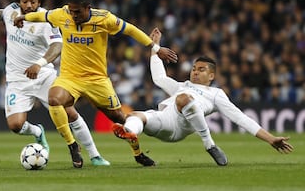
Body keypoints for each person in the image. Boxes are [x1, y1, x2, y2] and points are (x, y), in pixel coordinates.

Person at [13, 0, 178, 167]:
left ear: (87, 8)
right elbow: (43, 16)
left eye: (77, 11)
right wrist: (24, 18)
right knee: (54, 98)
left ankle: (138, 154)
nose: (73, 15)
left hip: (97, 80)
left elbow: (130, 30)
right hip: (70, 78)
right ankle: (72, 146)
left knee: (121, 119)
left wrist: (155, 48)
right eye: (71, 10)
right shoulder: (63, 14)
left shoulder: (104, 19)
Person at [112, 28, 294, 166]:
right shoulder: (182, 86)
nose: (195, 72)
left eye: (201, 70)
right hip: (163, 120)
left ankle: (209, 145)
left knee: (183, 99)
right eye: (193, 69)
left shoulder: (216, 94)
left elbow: (241, 118)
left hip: (180, 127)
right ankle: (133, 140)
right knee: (134, 116)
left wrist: (270, 138)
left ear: (212, 76)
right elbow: (159, 78)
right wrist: (155, 48)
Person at [0, 0, 110, 168]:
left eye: (33, 1)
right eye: (25, 1)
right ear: (18, 0)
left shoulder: (46, 19)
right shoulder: (10, 11)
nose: (29, 5)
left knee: (70, 113)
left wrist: (39, 64)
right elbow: (0, 13)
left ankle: (95, 155)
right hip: (17, 81)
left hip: (43, 76)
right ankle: (38, 132)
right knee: (16, 126)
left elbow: (57, 45)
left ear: (39, 2)